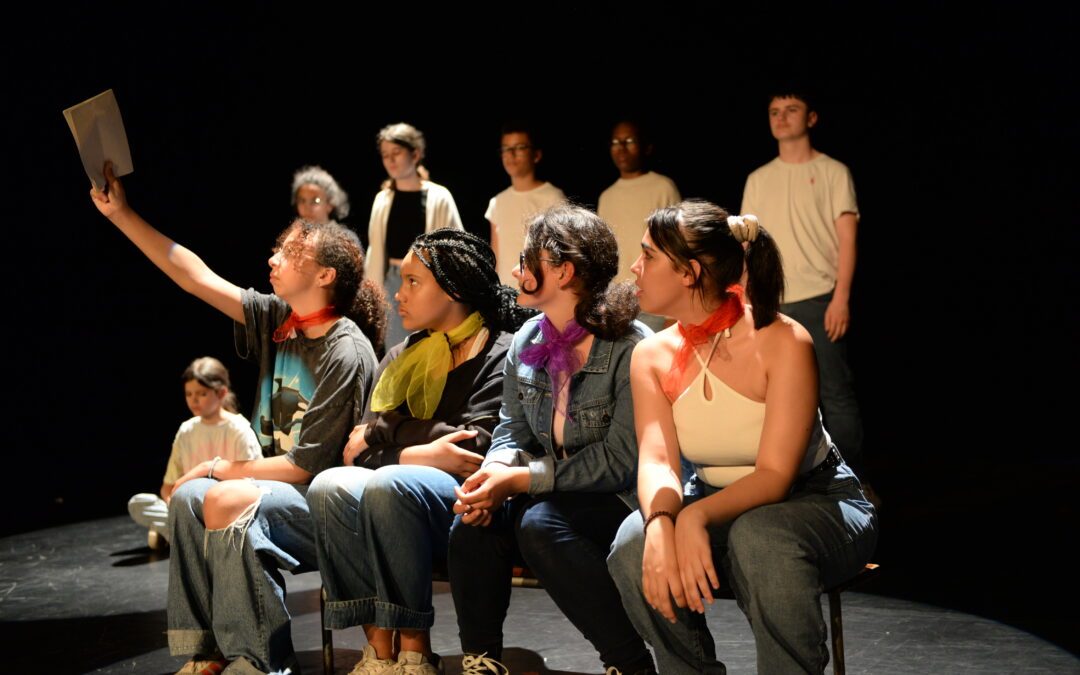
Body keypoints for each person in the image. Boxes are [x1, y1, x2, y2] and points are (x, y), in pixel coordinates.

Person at [89, 162, 382, 675]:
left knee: (217, 491)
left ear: (324, 275)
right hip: (271, 492)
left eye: (289, 255)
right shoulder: (279, 321)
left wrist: (222, 467)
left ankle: (258, 657)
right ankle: (207, 652)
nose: (273, 259)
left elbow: (304, 468)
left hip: (325, 507)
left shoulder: (346, 350)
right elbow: (193, 276)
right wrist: (122, 215)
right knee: (186, 500)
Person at [606, 200, 878, 674]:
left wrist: (695, 520)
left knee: (761, 536)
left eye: (648, 256)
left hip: (816, 501)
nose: (634, 267)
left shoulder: (782, 340)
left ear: (689, 273)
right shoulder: (650, 354)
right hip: (714, 498)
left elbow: (774, 477)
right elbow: (656, 461)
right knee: (633, 542)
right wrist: (660, 524)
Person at [308, 229, 532, 674]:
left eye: (413, 282)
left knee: (391, 483)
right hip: (399, 489)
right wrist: (421, 453)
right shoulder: (401, 359)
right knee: (329, 485)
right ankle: (380, 651)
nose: (398, 294)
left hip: (463, 505)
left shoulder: (500, 352)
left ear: (452, 288)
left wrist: (387, 430)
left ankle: (414, 647)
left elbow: (474, 445)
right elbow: (356, 451)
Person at [449, 205, 657, 675]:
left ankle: (628, 663)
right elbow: (512, 428)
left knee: (542, 525)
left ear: (562, 272)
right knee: (473, 523)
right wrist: (496, 472)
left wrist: (523, 479)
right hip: (551, 489)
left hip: (618, 498)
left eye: (527, 260)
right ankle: (480, 663)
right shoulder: (525, 339)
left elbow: (622, 460)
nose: (516, 271)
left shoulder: (631, 346)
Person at [740, 90, 866, 477]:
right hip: (770, 303)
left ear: (811, 118)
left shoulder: (833, 171)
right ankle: (786, 481)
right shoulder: (758, 178)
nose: (781, 117)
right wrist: (744, 299)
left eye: (791, 110)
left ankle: (852, 484)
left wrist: (840, 298)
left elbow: (847, 238)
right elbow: (748, 242)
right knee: (769, 399)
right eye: (774, 111)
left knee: (835, 396)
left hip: (819, 298)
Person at [128, 356, 262, 551]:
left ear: (221, 392)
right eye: (189, 394)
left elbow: (254, 484)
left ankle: (180, 536)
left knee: (235, 518)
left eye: (202, 393)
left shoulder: (239, 429)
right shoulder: (186, 430)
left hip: (226, 509)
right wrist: (175, 507)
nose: (194, 400)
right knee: (139, 503)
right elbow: (168, 486)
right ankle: (186, 533)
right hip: (192, 510)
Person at [367, 122, 464, 349]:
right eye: (385, 155)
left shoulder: (439, 197)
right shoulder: (383, 199)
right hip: (393, 281)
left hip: (429, 281)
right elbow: (375, 250)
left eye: (397, 153)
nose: (390, 160)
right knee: (397, 349)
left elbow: (456, 245)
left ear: (415, 154)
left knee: (431, 344)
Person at [485, 122, 565, 285]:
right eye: (506, 148)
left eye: (520, 147)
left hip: (539, 290)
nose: (511, 154)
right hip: (507, 294)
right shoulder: (497, 202)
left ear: (536, 155)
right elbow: (496, 256)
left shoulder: (552, 197)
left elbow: (560, 253)